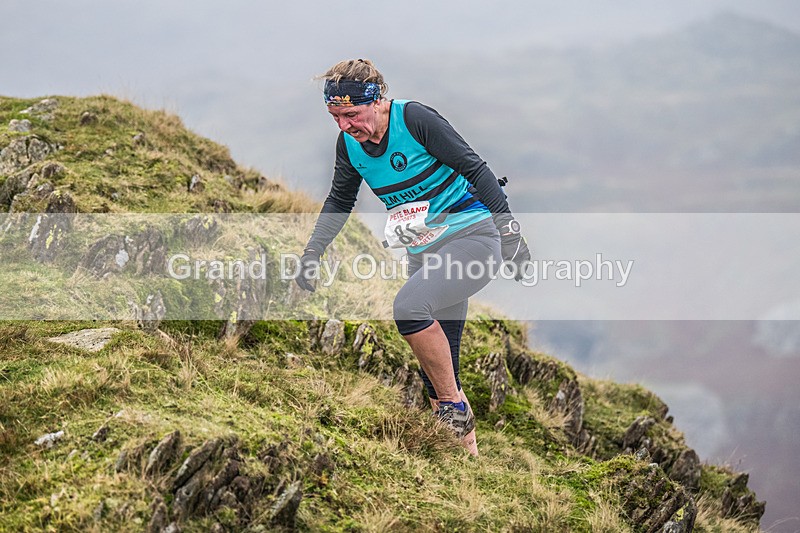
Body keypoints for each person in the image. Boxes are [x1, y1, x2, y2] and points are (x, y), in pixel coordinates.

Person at [295, 58, 530, 456]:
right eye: (335, 116)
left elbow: (476, 169)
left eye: (351, 114)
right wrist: (312, 252)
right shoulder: (349, 145)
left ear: (377, 100)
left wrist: (510, 234)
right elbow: (339, 200)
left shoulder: (415, 120)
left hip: (473, 238)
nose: (345, 126)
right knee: (440, 375)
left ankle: (453, 409)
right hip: (424, 253)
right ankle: (468, 464)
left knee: (409, 309)